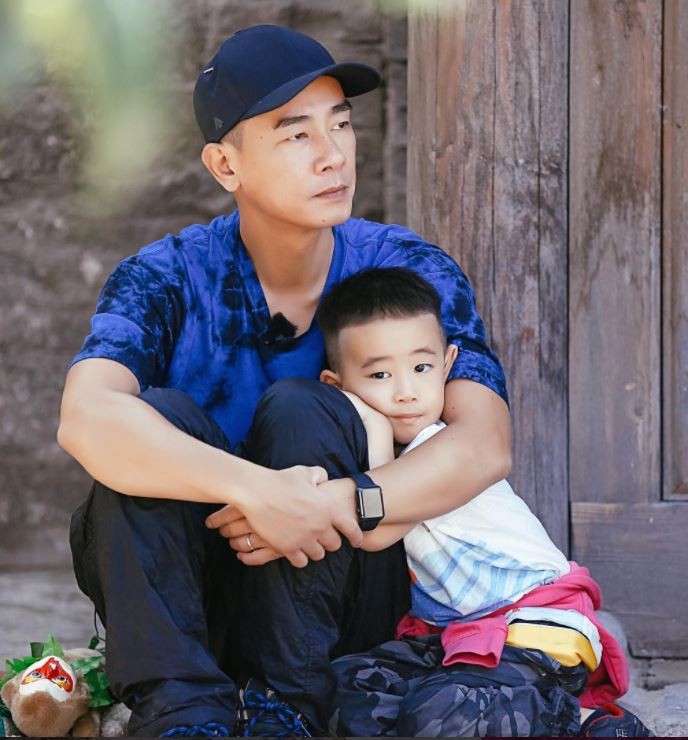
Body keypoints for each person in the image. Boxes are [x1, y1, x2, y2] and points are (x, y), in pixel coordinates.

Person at [57, 24, 511, 737]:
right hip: (196, 602)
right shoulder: (163, 277)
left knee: (305, 408)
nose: (333, 155)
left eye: (341, 125)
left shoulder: (406, 271)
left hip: (340, 607)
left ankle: (287, 709)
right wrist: (258, 492)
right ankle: (183, 712)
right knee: (154, 418)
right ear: (225, 165)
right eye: (296, 134)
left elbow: (484, 443)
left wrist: (336, 502)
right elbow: (85, 417)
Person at [314, 266, 654, 737]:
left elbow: (372, 533)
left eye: (421, 368)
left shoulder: (441, 451)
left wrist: (370, 422)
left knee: (439, 716)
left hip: (535, 628)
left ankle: (578, 721)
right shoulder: (400, 451)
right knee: (342, 688)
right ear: (336, 385)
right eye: (379, 374)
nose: (406, 392)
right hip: (458, 639)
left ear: (448, 363)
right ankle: (479, 707)